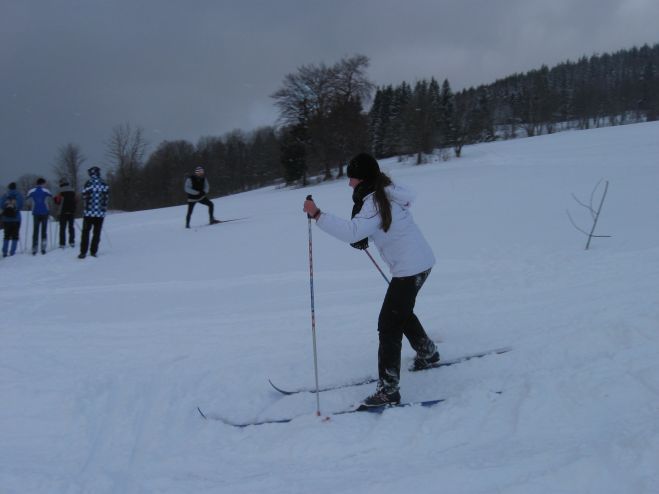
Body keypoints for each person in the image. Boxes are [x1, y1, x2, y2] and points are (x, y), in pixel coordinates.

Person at [302, 153, 439, 408]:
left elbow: (353, 231)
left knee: (388, 324)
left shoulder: (374, 201)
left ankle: (388, 390)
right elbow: (367, 229)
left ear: (362, 177)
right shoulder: (383, 193)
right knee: (400, 311)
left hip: (410, 268)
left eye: (352, 178)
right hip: (418, 264)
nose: (349, 184)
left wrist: (317, 214)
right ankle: (427, 351)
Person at [79, 166, 110, 259]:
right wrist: (103, 208)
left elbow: (84, 195)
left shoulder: (88, 183)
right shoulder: (104, 183)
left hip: (89, 213)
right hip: (100, 213)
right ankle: (93, 251)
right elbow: (107, 198)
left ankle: (83, 252)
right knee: (96, 232)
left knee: (85, 232)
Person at [26, 178, 53, 255]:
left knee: (35, 231)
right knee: (44, 231)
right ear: (42, 183)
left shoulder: (31, 191)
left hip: (35, 213)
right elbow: (51, 196)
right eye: (44, 183)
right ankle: (43, 247)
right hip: (45, 212)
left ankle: (34, 248)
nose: (45, 185)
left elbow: (27, 199)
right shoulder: (46, 191)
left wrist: (29, 205)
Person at [1, 182, 25, 257]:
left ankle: (4, 252)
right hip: (16, 218)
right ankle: (12, 252)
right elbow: (21, 205)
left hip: (6, 219)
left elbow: (1, 205)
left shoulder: (5, 195)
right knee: (15, 235)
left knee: (6, 235)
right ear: (15, 187)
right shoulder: (18, 194)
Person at [54, 178, 77, 248]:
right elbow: (75, 200)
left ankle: (62, 243)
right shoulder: (72, 190)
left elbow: (57, 202)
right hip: (71, 211)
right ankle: (72, 242)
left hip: (62, 211)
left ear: (61, 183)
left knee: (62, 228)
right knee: (71, 227)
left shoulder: (59, 191)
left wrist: (55, 199)